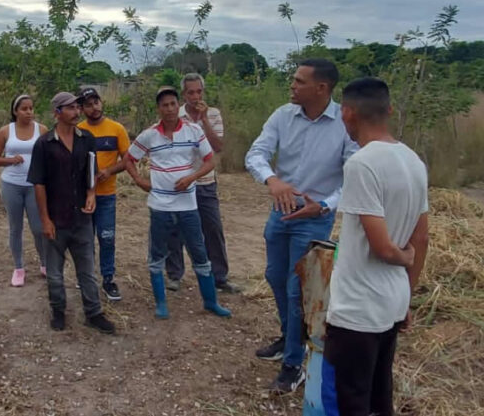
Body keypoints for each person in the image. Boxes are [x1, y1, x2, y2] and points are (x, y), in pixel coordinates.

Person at [244, 58, 359, 393]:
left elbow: (354, 175)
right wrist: (272, 180)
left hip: (315, 218)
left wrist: (323, 205)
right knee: (274, 276)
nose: (292, 85)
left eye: (299, 81)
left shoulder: (344, 124)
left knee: (299, 291)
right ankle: (289, 336)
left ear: (321, 88)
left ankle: (294, 365)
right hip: (281, 211)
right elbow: (256, 154)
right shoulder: (283, 115)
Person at [322, 78, 429, 416]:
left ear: (347, 113)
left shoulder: (361, 164)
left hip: (358, 308)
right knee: (380, 398)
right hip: (392, 301)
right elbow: (422, 238)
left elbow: (382, 247)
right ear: (390, 110)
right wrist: (406, 294)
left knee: (350, 400)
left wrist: (403, 256)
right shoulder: (413, 161)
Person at [123, 86, 231, 320]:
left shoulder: (193, 130)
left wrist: (191, 177)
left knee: (199, 253)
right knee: (157, 255)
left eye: (173, 104)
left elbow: (210, 161)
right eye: (165, 105)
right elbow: (129, 158)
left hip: (188, 205)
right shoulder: (150, 135)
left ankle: (211, 302)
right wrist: (139, 181)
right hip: (160, 205)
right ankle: (161, 303)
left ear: (177, 105)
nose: (170, 109)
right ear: (159, 109)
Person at [27, 92, 116, 334]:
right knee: (55, 273)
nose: (77, 112)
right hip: (56, 218)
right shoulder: (44, 144)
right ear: (57, 112)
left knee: (87, 270)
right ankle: (58, 311)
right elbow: (38, 184)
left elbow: (91, 171)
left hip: (81, 217)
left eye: (78, 107)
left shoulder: (86, 139)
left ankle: (94, 313)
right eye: (70, 108)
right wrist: (45, 219)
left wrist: (91, 193)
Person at [164, 73, 241, 294]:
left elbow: (218, 146)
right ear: (183, 94)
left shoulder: (213, 114)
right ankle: (174, 275)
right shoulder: (174, 115)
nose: (196, 96)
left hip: (205, 181)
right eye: (191, 92)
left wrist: (204, 119)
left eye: (199, 91)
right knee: (175, 230)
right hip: (179, 182)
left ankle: (219, 277)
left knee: (213, 229)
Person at [75, 87, 131, 301]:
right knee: (85, 239)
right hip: (82, 196)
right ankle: (86, 277)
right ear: (81, 109)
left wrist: (109, 171)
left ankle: (108, 279)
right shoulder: (78, 130)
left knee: (107, 238)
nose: (94, 108)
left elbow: (127, 160)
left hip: (106, 195)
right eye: (88, 105)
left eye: (96, 102)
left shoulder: (116, 129)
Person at [0, 94, 49, 286]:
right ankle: (18, 268)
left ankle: (45, 263)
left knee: (38, 228)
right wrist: (10, 160)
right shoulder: (5, 131)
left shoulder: (42, 130)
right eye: (24, 109)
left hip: (35, 186)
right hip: (11, 184)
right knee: (15, 228)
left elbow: (50, 155)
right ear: (15, 111)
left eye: (31, 108)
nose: (29, 112)